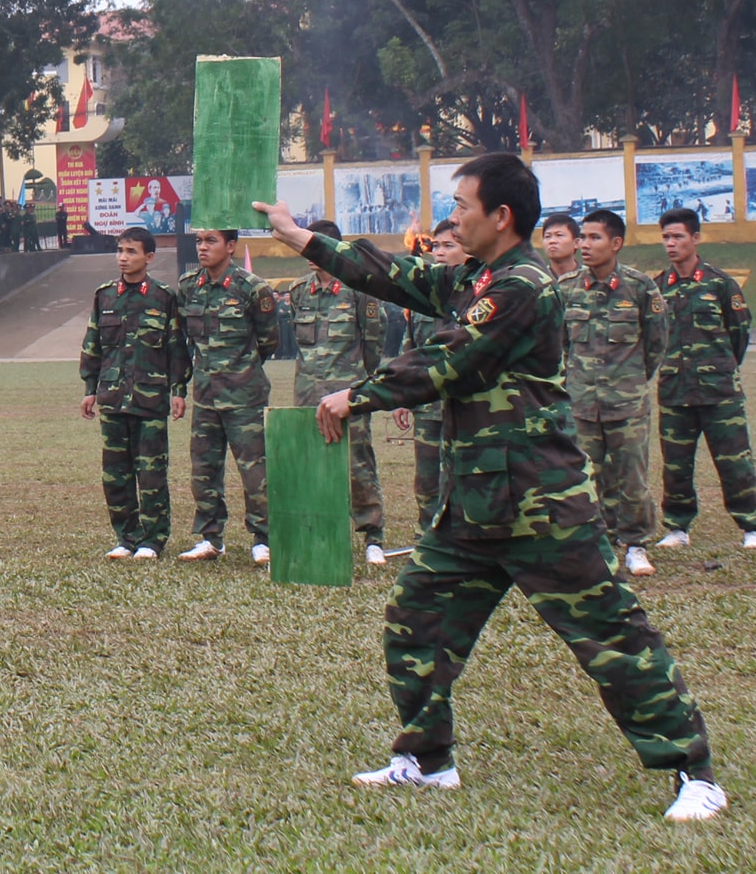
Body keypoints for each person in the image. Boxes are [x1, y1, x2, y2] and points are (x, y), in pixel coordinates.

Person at [254, 155, 724, 821]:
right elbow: (398, 273)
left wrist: (356, 395)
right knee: (415, 619)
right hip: (474, 501)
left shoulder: (523, 284)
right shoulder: (479, 275)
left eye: (463, 205)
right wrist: (298, 236)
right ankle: (427, 759)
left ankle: (693, 770)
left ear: (501, 216)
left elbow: (449, 357)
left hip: (541, 503)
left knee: (609, 632)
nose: (452, 217)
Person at [653, 208, 756, 552]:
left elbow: (739, 334)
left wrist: (718, 368)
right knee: (675, 467)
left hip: (719, 393)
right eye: (666, 238)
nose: (671, 244)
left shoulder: (720, 284)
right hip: (674, 392)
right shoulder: (658, 287)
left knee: (735, 463)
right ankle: (677, 526)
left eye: (678, 237)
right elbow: (652, 339)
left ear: (695, 238)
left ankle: (752, 526)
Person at [563, 209, 668, 577]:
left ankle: (636, 544)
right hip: (581, 405)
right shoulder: (568, 288)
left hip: (626, 404)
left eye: (594, 238)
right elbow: (560, 347)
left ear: (616, 243)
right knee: (585, 479)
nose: (584, 245)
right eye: (582, 238)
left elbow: (656, 344)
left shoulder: (640, 288)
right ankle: (597, 544)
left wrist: (632, 381)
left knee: (631, 480)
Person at [78, 227, 189, 561]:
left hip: (150, 400)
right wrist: (89, 388)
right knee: (115, 473)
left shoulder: (163, 296)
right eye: (120, 250)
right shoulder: (105, 295)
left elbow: (176, 348)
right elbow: (93, 344)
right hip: (113, 398)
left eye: (131, 252)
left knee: (152, 473)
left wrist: (178, 389)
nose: (123, 258)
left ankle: (153, 541)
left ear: (149, 257)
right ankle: (126, 537)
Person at [287, 221, 391, 564]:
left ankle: (372, 535)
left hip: (349, 391)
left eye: (319, 246)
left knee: (357, 462)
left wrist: (363, 382)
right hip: (308, 392)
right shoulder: (298, 291)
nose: (311, 255)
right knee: (312, 463)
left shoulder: (359, 290)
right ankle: (319, 531)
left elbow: (374, 341)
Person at [174, 228, 278, 565]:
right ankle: (210, 537)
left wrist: (240, 370)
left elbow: (268, 341)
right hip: (205, 395)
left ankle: (264, 538)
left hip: (245, 395)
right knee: (203, 470)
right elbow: (185, 342)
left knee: (255, 471)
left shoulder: (253, 289)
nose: (203, 248)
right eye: (199, 241)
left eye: (211, 241)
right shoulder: (189, 286)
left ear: (230, 246)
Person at [406, 219, 467, 532]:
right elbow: (410, 353)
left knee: (466, 477)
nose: (439, 253)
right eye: (436, 246)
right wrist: (403, 398)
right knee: (427, 478)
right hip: (428, 407)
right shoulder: (422, 300)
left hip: (468, 408)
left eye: (449, 246)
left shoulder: (479, 297)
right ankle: (427, 538)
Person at [541, 213, 583, 279]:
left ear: (576, 243)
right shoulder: (536, 279)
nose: (552, 241)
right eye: (547, 236)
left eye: (559, 235)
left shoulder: (590, 277)